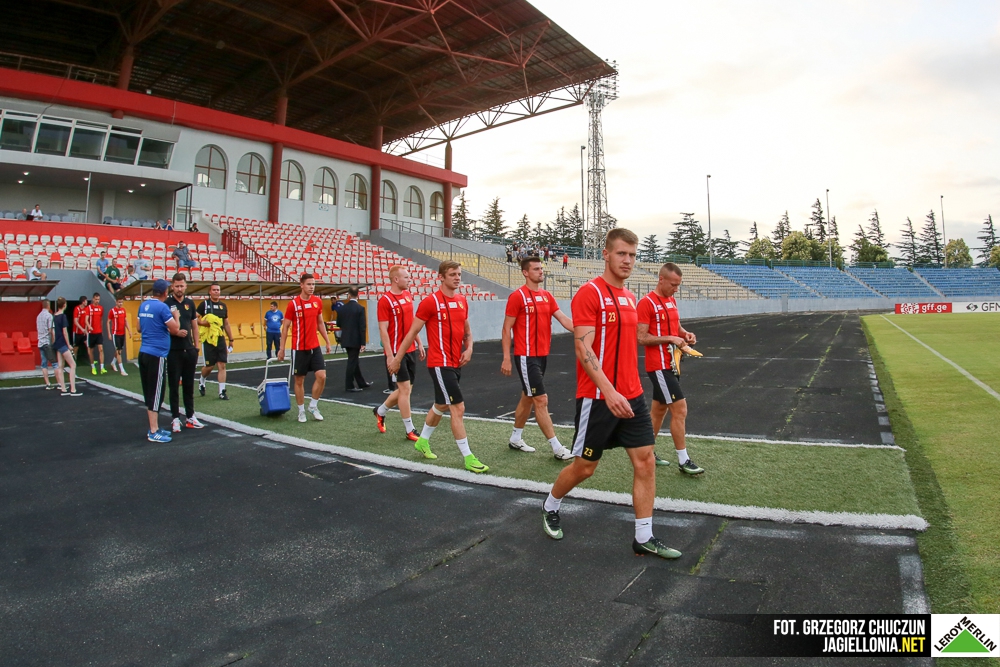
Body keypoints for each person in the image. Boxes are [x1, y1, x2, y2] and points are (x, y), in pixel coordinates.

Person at [540, 228, 681, 560]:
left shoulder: (630, 297)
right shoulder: (589, 294)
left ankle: (643, 536)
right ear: (606, 254)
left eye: (632, 255)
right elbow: (583, 348)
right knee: (585, 467)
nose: (627, 260)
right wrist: (609, 391)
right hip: (598, 398)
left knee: (646, 461)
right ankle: (550, 505)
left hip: (633, 395)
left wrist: (678, 337)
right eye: (621, 253)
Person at [388, 261, 488, 473]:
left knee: (441, 405)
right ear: (441, 277)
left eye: (459, 274)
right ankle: (468, 457)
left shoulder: (462, 301)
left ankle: (422, 441)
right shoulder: (430, 302)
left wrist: (469, 348)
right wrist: (397, 359)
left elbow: (467, 332)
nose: (457, 278)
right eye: (452, 274)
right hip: (440, 364)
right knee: (457, 407)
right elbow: (412, 332)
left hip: (456, 362)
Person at [501, 256, 575, 459]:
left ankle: (515, 438)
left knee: (528, 398)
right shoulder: (517, 297)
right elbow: (506, 329)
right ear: (525, 273)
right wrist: (506, 357)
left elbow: (564, 319)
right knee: (540, 399)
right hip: (526, 357)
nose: (541, 271)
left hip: (542, 356)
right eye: (536, 269)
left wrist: (586, 330)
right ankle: (557, 449)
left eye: (541, 268)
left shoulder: (547, 296)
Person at [637, 263, 705, 474]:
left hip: (672, 364)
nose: (676, 289)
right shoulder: (646, 303)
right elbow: (641, 337)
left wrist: (685, 334)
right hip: (658, 366)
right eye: (673, 285)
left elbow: (675, 326)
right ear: (661, 279)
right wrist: (671, 338)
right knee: (680, 409)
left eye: (678, 285)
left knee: (659, 410)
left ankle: (646, 452)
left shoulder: (671, 300)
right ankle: (683, 460)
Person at [374, 265, 426, 440]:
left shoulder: (407, 296)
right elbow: (383, 329)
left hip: (410, 349)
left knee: (407, 389)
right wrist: (390, 356)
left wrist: (419, 342)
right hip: (396, 352)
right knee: (404, 389)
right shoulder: (385, 301)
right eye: (406, 277)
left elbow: (412, 323)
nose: (409, 280)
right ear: (396, 279)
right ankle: (410, 429)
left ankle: (380, 411)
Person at [278, 273, 333, 422]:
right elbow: (285, 327)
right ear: (301, 285)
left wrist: (327, 341)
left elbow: (320, 323)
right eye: (309, 284)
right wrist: (281, 348)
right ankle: (301, 411)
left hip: (314, 347)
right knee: (299, 381)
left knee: (322, 376)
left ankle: (313, 406)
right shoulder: (293, 304)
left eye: (313, 284)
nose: (311, 287)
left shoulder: (317, 302)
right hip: (299, 348)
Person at [138, 279, 182, 442]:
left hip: (144, 352)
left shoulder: (143, 305)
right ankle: (153, 431)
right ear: (165, 292)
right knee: (156, 394)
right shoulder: (162, 307)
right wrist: (176, 316)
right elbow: (175, 329)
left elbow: (139, 328)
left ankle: (155, 427)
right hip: (156, 355)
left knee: (150, 393)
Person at [165, 273, 204, 432]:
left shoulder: (190, 303)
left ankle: (190, 416)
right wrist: (175, 332)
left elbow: (194, 326)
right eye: (177, 286)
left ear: (186, 286)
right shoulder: (167, 304)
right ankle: (175, 418)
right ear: (172, 286)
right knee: (174, 385)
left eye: (182, 286)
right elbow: (163, 327)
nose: (179, 289)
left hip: (189, 350)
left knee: (188, 385)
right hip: (173, 350)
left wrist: (196, 347)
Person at [197, 282, 234, 400]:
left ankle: (222, 392)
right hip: (208, 340)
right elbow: (194, 318)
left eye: (218, 290)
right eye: (214, 290)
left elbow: (226, 324)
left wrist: (231, 339)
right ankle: (202, 380)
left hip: (220, 338)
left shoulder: (223, 306)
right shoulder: (204, 305)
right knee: (209, 366)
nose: (216, 292)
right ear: (210, 292)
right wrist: (204, 323)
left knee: (222, 364)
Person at [337, 287, 370, 392]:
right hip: (356, 339)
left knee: (354, 360)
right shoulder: (360, 308)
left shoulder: (342, 308)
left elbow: (338, 323)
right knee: (352, 361)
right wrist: (363, 342)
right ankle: (349, 385)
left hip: (345, 338)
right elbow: (362, 327)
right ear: (358, 295)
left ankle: (361, 382)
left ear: (349, 295)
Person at [52, 297, 81, 396]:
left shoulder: (55, 316)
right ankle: (73, 389)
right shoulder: (63, 316)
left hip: (58, 343)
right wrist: (68, 344)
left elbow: (54, 331)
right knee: (73, 365)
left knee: (60, 366)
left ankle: (63, 389)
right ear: (64, 305)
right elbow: (65, 332)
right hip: (63, 344)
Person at [36, 300, 57, 390]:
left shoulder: (38, 316)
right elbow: (51, 330)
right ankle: (60, 384)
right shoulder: (49, 316)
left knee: (44, 364)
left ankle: (48, 384)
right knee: (55, 364)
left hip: (40, 342)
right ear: (48, 306)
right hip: (47, 343)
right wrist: (54, 342)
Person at [108, 297, 130, 376]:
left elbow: (125, 320)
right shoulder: (112, 311)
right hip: (115, 333)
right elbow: (108, 321)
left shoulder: (123, 310)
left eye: (122, 302)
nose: (121, 304)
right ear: (116, 302)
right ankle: (122, 370)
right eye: (119, 302)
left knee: (120, 350)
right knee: (118, 351)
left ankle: (113, 362)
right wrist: (109, 333)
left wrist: (129, 330)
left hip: (122, 333)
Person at [87, 293, 106, 374]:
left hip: (99, 332)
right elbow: (86, 320)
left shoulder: (101, 308)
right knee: (91, 350)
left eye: (98, 299)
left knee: (101, 349)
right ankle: (93, 367)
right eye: (96, 299)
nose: (97, 301)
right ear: (93, 299)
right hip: (91, 333)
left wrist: (101, 330)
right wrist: (89, 326)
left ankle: (102, 367)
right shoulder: (89, 308)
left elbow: (101, 319)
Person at [72, 296, 91, 368]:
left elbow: (87, 320)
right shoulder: (77, 309)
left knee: (88, 345)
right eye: (86, 301)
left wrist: (85, 329)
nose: (87, 302)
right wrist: (82, 329)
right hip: (77, 332)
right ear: (83, 302)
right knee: (76, 348)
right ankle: (74, 361)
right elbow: (75, 321)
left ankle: (91, 361)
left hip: (84, 332)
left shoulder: (87, 309)